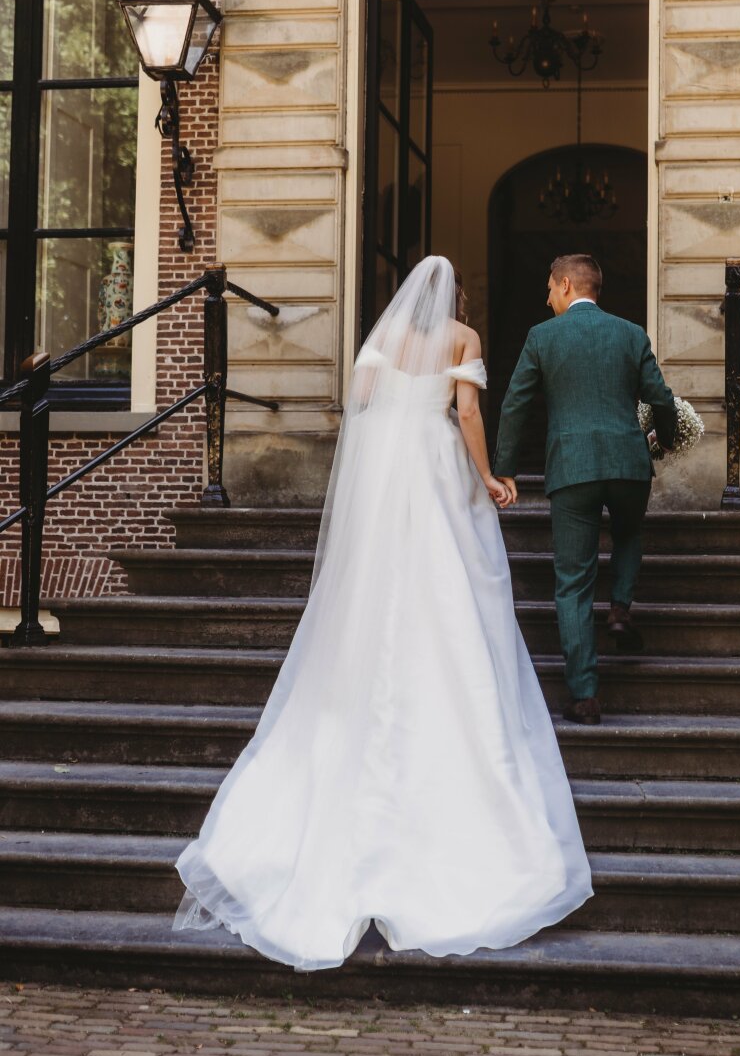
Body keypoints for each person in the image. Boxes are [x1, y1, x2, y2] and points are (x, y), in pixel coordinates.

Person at [173, 255, 593, 970]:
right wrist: (486, 475)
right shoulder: (463, 340)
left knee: (379, 593)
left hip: (387, 476)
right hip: (433, 468)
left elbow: (362, 404)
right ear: (457, 299)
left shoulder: (380, 339)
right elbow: (464, 410)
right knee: (449, 593)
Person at [493, 254, 677, 727]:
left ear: (569, 285)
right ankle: (619, 606)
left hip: (572, 467)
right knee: (630, 534)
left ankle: (584, 695)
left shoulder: (542, 336)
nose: (547, 296)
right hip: (628, 462)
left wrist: (505, 468)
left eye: (551, 288)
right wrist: (667, 440)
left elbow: (515, 404)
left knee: (573, 582)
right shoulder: (631, 333)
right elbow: (659, 397)